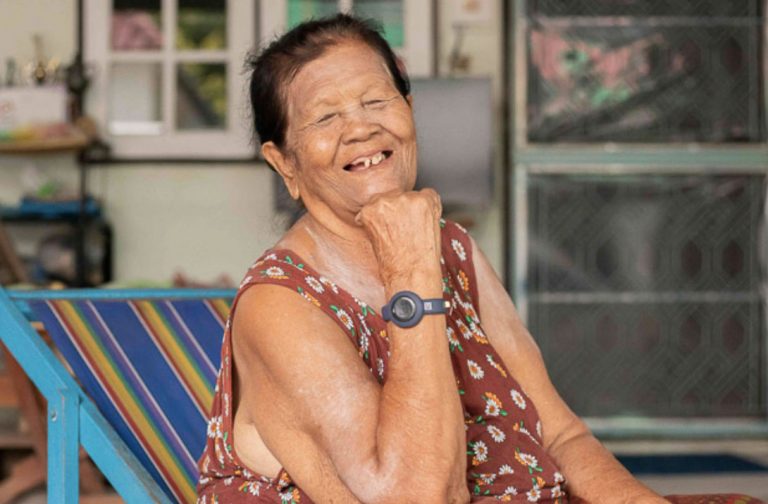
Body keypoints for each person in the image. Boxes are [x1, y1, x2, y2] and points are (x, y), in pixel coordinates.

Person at [197, 14, 761, 504]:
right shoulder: (280, 305)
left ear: (408, 110)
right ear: (285, 163)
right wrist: (411, 272)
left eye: (376, 101)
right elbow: (417, 496)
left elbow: (560, 434)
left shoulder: (453, 247)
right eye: (325, 118)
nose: (361, 127)